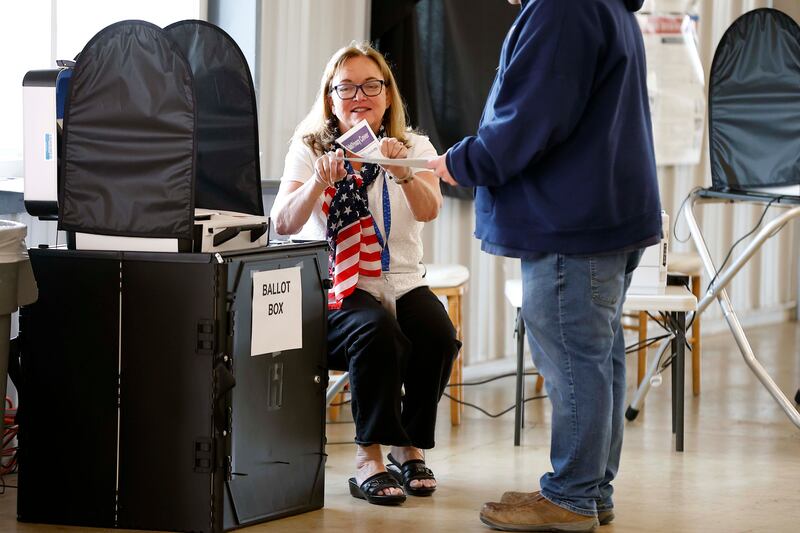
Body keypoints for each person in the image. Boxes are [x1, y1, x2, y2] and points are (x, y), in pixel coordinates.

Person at [428, 0, 661, 530]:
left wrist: (462, 162)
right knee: (598, 357)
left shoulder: (564, 7)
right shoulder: (603, 6)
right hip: (610, 210)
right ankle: (590, 488)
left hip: (571, 219)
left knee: (576, 359)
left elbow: (531, 116)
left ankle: (572, 497)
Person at [271, 41, 459, 506]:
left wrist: (403, 172)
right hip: (341, 287)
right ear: (331, 99)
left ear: (388, 95)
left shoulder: (414, 146)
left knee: (437, 334)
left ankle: (407, 445)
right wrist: (319, 180)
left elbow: (431, 209)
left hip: (402, 280)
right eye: (347, 87)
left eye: (371, 85)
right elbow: (282, 223)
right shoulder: (311, 148)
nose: (360, 96)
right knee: (375, 333)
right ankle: (368, 456)